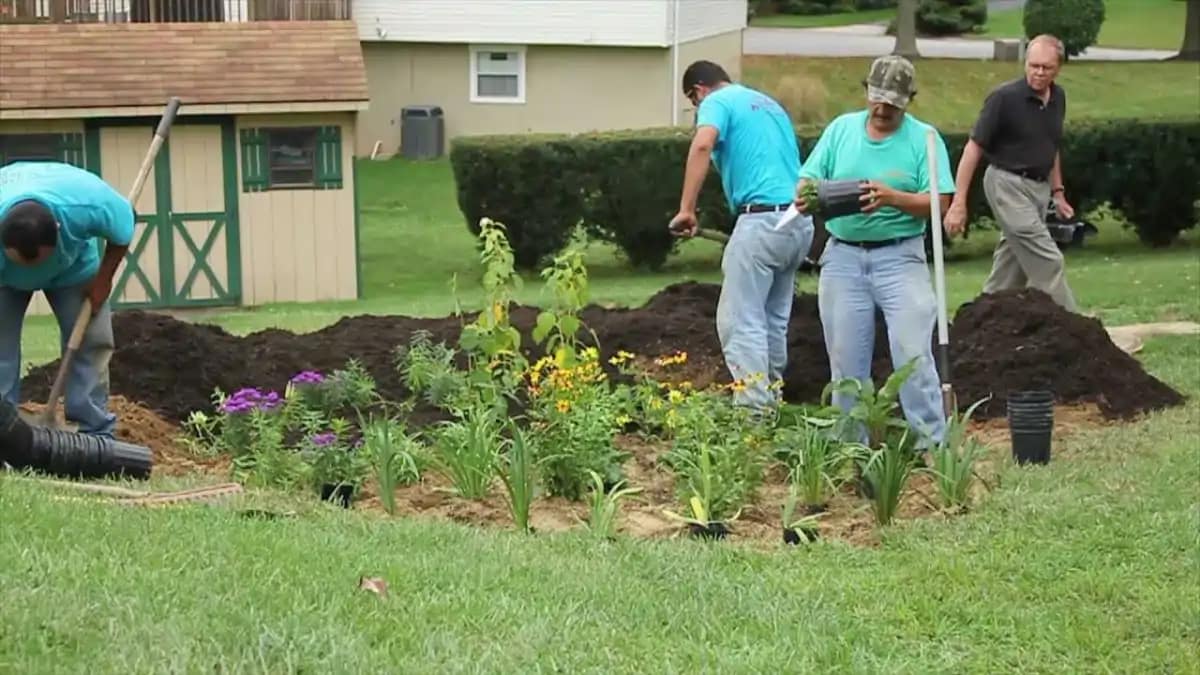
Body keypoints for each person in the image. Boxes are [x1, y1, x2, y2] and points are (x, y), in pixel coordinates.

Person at [795, 55, 953, 447]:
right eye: (876, 97)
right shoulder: (840, 130)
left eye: (893, 102)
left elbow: (941, 202)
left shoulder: (924, 139)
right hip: (843, 258)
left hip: (901, 258)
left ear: (908, 100)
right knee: (846, 363)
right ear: (866, 91)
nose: (882, 108)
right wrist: (807, 197)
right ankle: (852, 449)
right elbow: (808, 180)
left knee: (912, 355)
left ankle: (931, 446)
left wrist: (892, 198)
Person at [668, 60, 814, 413]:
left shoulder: (717, 101)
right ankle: (773, 400)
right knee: (772, 320)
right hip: (798, 221)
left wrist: (687, 208)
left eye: (693, 103)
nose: (697, 110)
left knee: (740, 321)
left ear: (698, 91)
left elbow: (703, 145)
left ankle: (753, 415)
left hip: (761, 222)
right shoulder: (768, 105)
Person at [0, 160, 134, 438]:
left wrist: (103, 279)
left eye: (38, 261)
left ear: (59, 228)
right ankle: (3, 426)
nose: (32, 271)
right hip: (4, 279)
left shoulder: (87, 203)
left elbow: (124, 228)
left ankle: (94, 430)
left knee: (91, 341)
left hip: (73, 269)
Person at [945, 34, 1078, 312]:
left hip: (1039, 190)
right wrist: (959, 203)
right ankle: (1079, 331)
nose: (1039, 73)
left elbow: (1050, 146)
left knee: (1010, 271)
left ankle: (978, 322)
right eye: (1033, 65)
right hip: (1006, 185)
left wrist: (1058, 192)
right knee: (1049, 260)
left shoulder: (1059, 97)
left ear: (1059, 68)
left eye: (1046, 68)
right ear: (1025, 63)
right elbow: (973, 149)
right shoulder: (1004, 98)